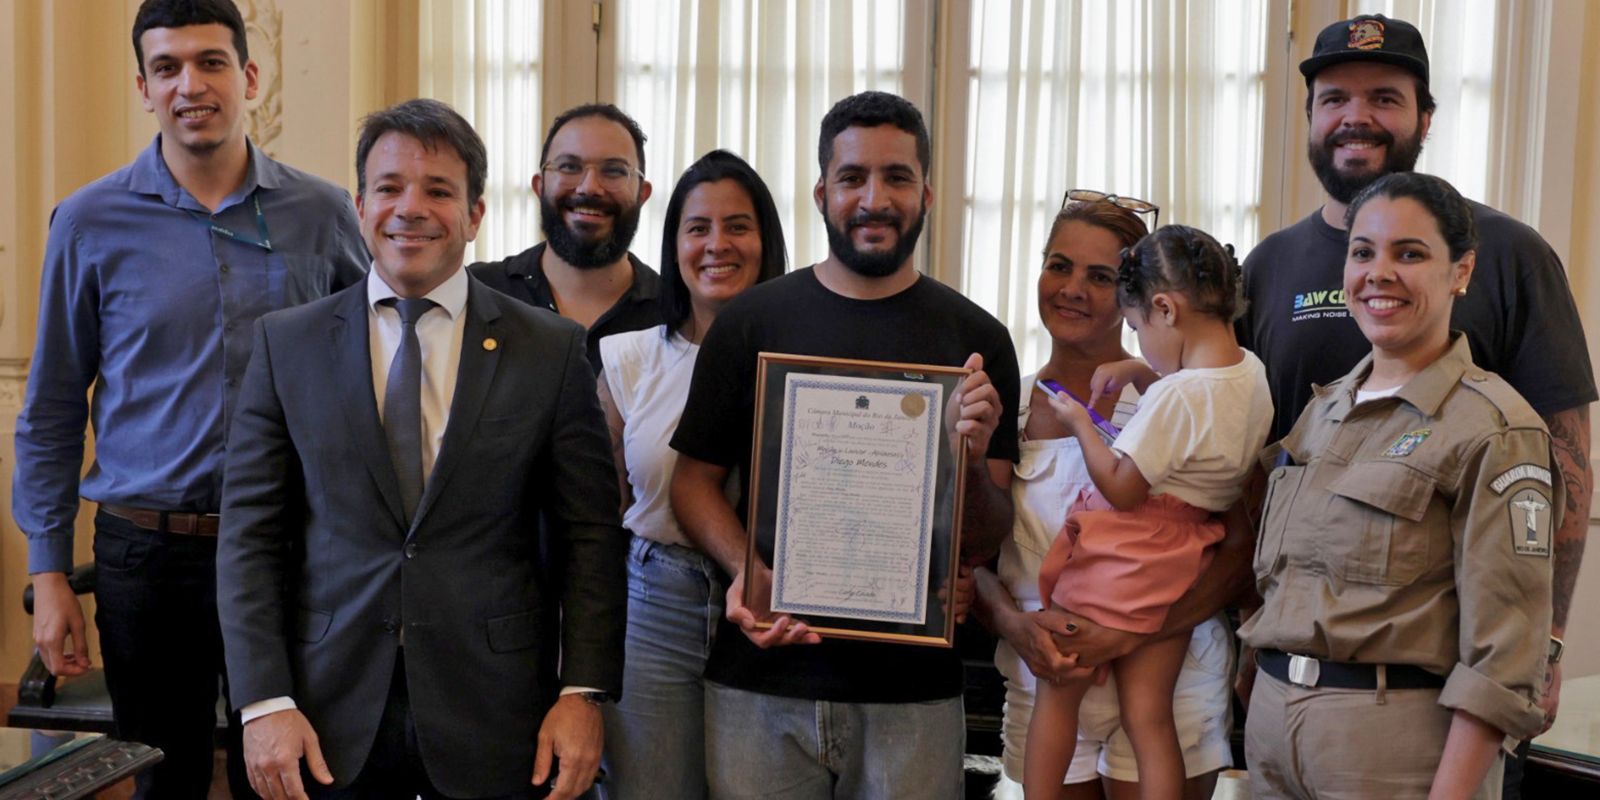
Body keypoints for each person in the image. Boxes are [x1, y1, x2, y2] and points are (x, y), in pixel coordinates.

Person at [217, 98, 627, 800]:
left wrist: (582, 692)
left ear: (474, 214)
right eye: (390, 188)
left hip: (497, 715)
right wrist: (263, 701)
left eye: (439, 190)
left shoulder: (550, 350)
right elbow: (249, 539)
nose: (412, 208)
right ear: (359, 206)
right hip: (323, 713)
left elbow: (588, 535)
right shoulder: (286, 345)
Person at [11, 0, 367, 795]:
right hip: (148, 555)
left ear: (249, 75)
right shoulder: (89, 220)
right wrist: (51, 576)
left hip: (293, 547)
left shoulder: (323, 214)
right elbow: (54, 407)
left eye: (210, 62)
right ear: (143, 86)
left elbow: (372, 370)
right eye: (167, 67)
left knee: (288, 777)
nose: (190, 85)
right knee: (159, 776)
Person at [1236, 18, 1592, 778]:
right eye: (1334, 98)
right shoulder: (1268, 266)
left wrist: (1546, 645)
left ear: (1424, 117)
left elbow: (1562, 465)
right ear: (1311, 118)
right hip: (1279, 697)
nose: (1356, 116)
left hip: (1410, 704)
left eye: (1385, 97)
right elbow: (1246, 454)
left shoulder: (1512, 256)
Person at [669, 90, 1018, 799]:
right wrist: (749, 572)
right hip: (761, 682)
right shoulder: (751, 323)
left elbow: (987, 533)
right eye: (853, 178)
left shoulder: (976, 340)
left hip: (913, 694)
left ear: (926, 191)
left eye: (896, 177)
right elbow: (691, 483)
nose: (874, 198)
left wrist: (974, 462)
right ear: (822, 191)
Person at [1241, 172, 1555, 799]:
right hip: (1272, 732)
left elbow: (1504, 656)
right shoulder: (1323, 410)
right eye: (1363, 252)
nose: (1378, 273)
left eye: (1409, 254)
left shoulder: (1494, 427)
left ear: (1460, 271)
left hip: (1391, 743)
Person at [973, 199, 1237, 800]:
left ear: (1137, 294)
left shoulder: (1180, 397)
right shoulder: (1003, 406)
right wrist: (1017, 627)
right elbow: (972, 560)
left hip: (1170, 678)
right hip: (1047, 675)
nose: (1072, 289)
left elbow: (1239, 549)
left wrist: (1131, 633)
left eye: (1100, 277)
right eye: (1059, 266)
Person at [1024, 225, 1270, 799]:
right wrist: (1141, 371)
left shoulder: (1176, 397)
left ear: (1164, 307)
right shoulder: (1250, 374)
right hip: (1182, 557)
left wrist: (1081, 424)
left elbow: (1121, 489)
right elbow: (1198, 411)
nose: (1139, 345)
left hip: (1125, 555)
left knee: (1057, 690)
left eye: (1137, 329)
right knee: (1149, 716)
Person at [593, 149, 788, 799]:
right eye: (697, 227)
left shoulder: (809, 361)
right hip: (655, 604)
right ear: (673, 243)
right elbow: (597, 518)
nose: (716, 244)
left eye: (738, 226)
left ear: (767, 240)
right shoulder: (628, 360)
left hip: (779, 609)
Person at [470, 103, 659, 372]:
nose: (589, 187)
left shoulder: (676, 316)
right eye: (569, 166)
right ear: (539, 186)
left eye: (614, 170)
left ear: (643, 194)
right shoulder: (477, 294)